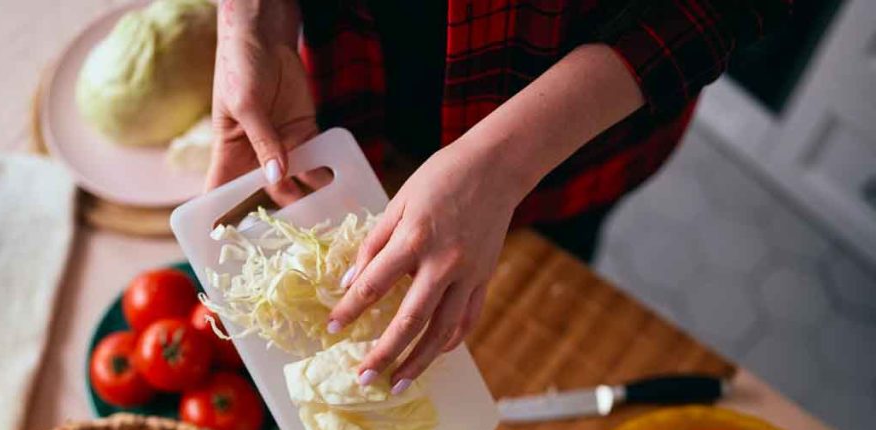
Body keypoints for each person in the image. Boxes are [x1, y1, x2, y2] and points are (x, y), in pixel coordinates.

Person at [206, 0, 792, 394]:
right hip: (357, 62)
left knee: (536, 288)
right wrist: (253, 22)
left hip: (569, 125)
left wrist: (506, 164)